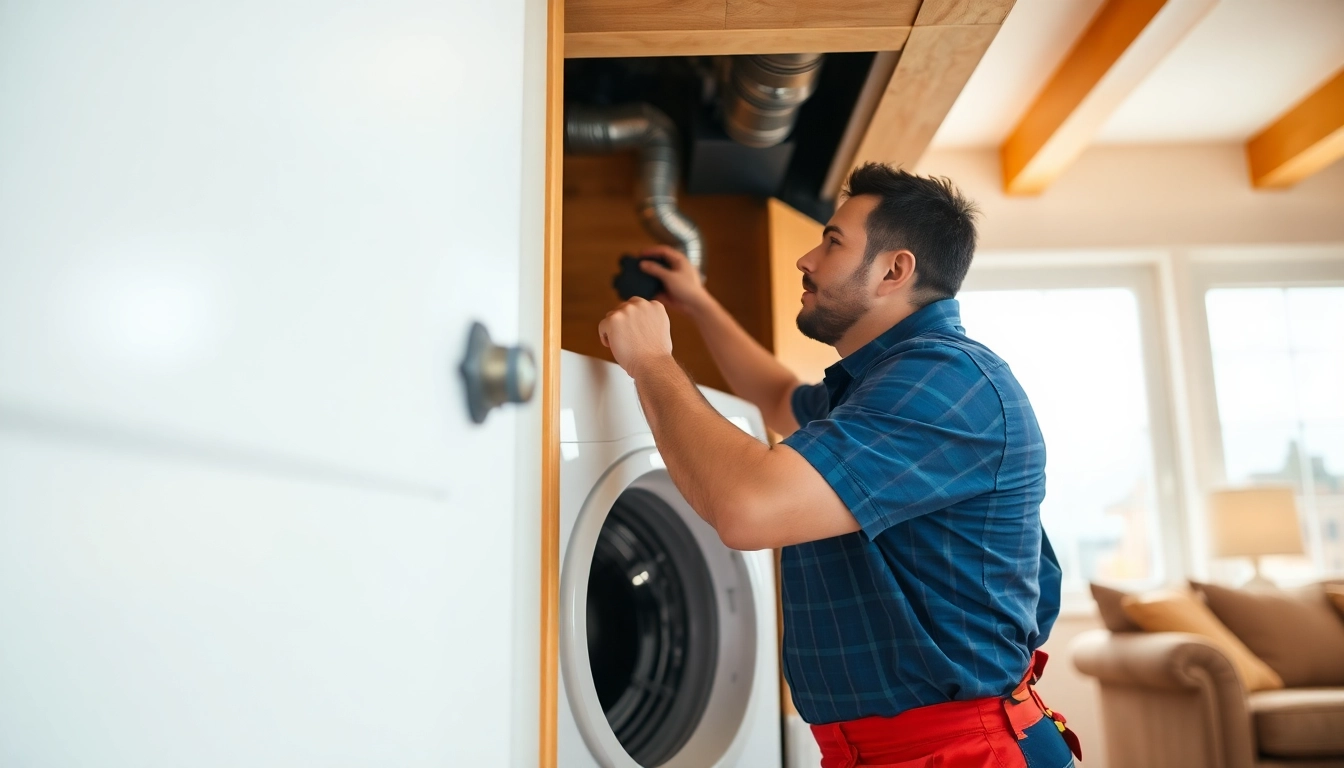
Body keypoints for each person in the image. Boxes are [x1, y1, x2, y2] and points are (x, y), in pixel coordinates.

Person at [596, 163, 1080, 768]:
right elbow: (775, 396)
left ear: (893, 270)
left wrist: (652, 363)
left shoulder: (946, 380)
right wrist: (696, 303)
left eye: (832, 242)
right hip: (875, 750)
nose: (806, 259)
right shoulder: (876, 386)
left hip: (962, 750)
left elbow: (748, 508)